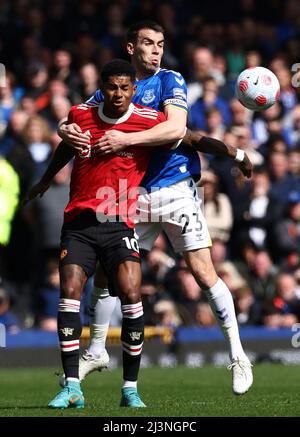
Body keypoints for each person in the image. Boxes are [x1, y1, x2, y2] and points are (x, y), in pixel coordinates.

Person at [42, 21, 253, 395]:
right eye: (147, 44)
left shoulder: (171, 80)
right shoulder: (119, 85)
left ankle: (238, 356)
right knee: (106, 274)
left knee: (203, 272)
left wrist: (126, 137)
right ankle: (96, 351)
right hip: (130, 194)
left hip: (175, 188)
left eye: (160, 44)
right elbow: (78, 116)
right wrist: (63, 128)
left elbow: (176, 131)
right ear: (130, 48)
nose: (155, 50)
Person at [25, 59, 176, 409]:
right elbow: (66, 145)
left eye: (125, 87)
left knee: (133, 293)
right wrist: (46, 180)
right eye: (112, 87)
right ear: (102, 88)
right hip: (79, 222)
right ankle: (72, 387)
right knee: (70, 292)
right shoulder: (81, 115)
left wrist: (232, 151)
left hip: (118, 223)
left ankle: (130, 389)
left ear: (133, 89)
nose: (119, 94)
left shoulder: (148, 121)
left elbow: (180, 135)